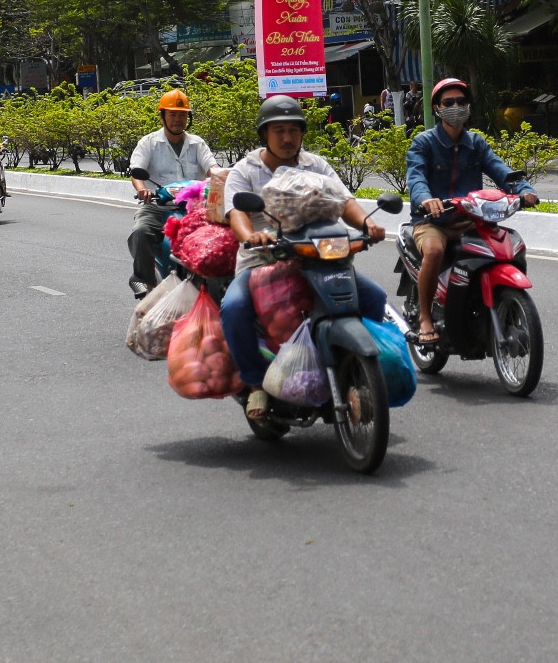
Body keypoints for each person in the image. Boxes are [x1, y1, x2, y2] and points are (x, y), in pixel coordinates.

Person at [222, 96, 387, 420]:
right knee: (234, 308)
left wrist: (367, 223)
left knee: (375, 297)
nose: (287, 138)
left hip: (318, 258)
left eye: (293, 131)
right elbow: (237, 214)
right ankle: (255, 383)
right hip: (264, 259)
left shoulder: (316, 166)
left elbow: (344, 201)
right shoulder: (245, 170)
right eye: (279, 130)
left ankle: (352, 368)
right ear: (264, 135)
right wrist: (251, 236)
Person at [405, 78, 538, 345]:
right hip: (434, 221)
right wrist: (427, 199)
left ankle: (498, 305)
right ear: (437, 108)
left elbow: (500, 170)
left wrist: (523, 190)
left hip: (470, 220)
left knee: (509, 245)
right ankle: (426, 318)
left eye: (461, 102)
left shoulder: (476, 143)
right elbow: (416, 177)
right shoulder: (424, 143)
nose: (456, 107)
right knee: (433, 250)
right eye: (449, 103)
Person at [126, 89, 216, 296]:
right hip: (158, 207)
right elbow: (136, 171)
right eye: (173, 114)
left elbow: (213, 167)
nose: (178, 119)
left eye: (182, 114)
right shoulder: (149, 142)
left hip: (195, 207)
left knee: (225, 232)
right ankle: (143, 279)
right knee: (140, 231)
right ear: (163, 116)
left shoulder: (197, 143)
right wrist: (142, 190)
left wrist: (224, 176)